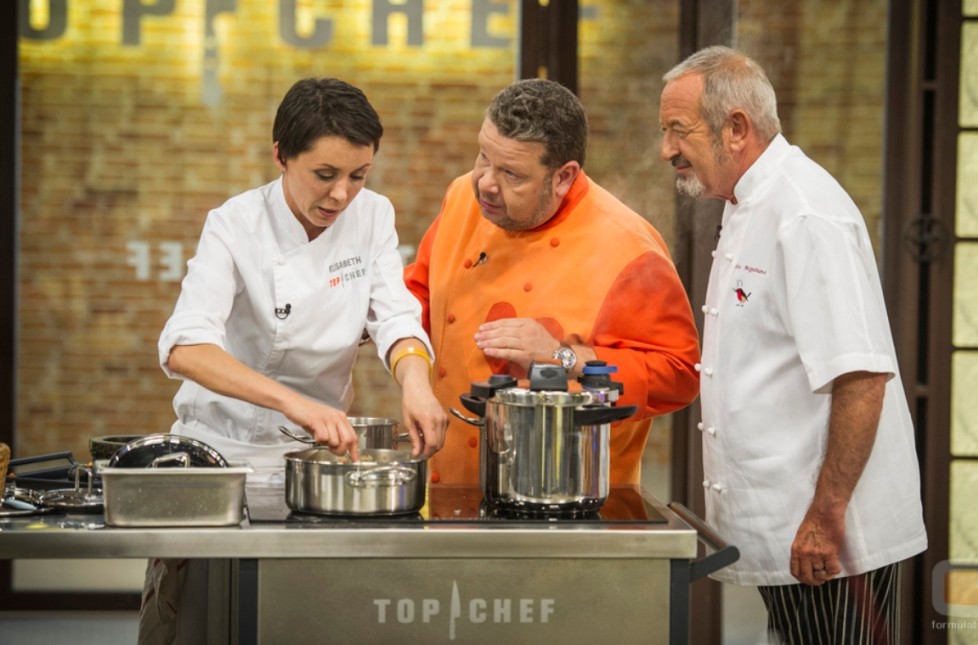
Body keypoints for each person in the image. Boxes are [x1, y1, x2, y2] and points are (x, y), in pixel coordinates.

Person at [148, 77, 447, 644]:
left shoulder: (372, 216)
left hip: (314, 466)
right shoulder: (235, 225)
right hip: (221, 457)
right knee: (201, 624)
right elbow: (186, 347)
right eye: (325, 175)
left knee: (308, 621)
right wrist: (297, 403)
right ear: (281, 157)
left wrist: (417, 383)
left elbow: (396, 318)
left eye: (358, 176)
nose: (341, 196)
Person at [659, 46, 927, 643]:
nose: (667, 150)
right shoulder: (747, 202)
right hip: (789, 527)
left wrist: (826, 518)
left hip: (833, 536)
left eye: (679, 130)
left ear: (736, 128)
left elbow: (861, 377)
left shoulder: (803, 212)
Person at [405, 78, 700, 486]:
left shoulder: (627, 249)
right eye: (483, 156)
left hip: (567, 497)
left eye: (511, 173)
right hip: (447, 484)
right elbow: (416, 298)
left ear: (563, 177)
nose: (486, 183)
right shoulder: (461, 198)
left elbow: (679, 374)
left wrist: (562, 356)